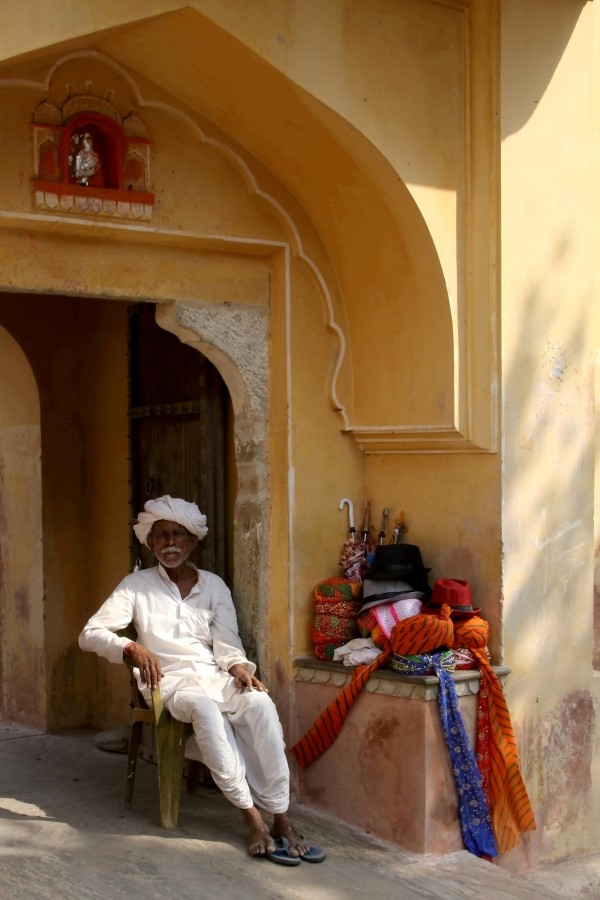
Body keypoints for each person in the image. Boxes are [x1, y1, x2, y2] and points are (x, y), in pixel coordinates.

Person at [79, 495, 325, 864]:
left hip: (213, 675)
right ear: (150, 542)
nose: (170, 543)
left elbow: (227, 643)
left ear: (193, 542)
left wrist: (239, 667)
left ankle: (282, 817)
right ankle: (252, 817)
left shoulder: (213, 586)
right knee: (207, 713)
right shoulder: (136, 585)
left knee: (260, 705)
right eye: (161, 536)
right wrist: (130, 646)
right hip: (169, 682)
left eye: (178, 535)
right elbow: (90, 633)